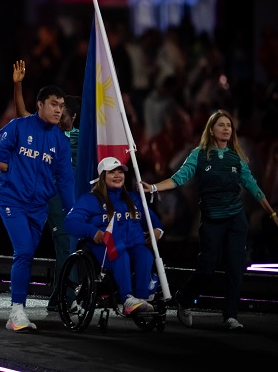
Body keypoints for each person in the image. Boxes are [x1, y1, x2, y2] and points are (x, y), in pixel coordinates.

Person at [141, 109, 278, 330]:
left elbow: (253, 186)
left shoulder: (236, 157)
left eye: (229, 126)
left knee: (236, 267)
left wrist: (271, 213)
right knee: (206, 269)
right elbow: (179, 179)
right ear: (212, 130)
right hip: (212, 221)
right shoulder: (199, 154)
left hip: (236, 220)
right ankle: (184, 298)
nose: (226, 129)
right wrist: (155, 187)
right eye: (221, 125)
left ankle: (230, 316)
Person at [0, 84, 75, 331]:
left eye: (61, 106)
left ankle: (18, 310)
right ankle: (16, 312)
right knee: (24, 251)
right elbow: (0, 162)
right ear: (40, 105)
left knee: (27, 254)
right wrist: (20, 178)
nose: (58, 110)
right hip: (13, 201)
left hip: (39, 207)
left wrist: (74, 211)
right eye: (53, 104)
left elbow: (65, 180)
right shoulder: (17, 127)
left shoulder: (60, 141)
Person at [12, 59, 80, 312]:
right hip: (45, 195)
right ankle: (65, 297)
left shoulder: (82, 138)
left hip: (67, 196)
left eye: (63, 110)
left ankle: (60, 297)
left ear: (73, 116)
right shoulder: (43, 131)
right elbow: (22, 114)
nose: (59, 113)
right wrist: (18, 86)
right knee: (62, 242)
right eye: (56, 108)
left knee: (68, 243)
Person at [65, 157, 163, 315]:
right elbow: (70, 222)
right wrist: (93, 232)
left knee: (144, 254)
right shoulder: (90, 200)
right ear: (102, 176)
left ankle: (142, 298)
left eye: (120, 172)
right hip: (104, 249)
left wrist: (157, 230)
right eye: (112, 172)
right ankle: (128, 299)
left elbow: (152, 219)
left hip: (132, 245)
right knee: (119, 252)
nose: (118, 175)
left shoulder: (133, 198)